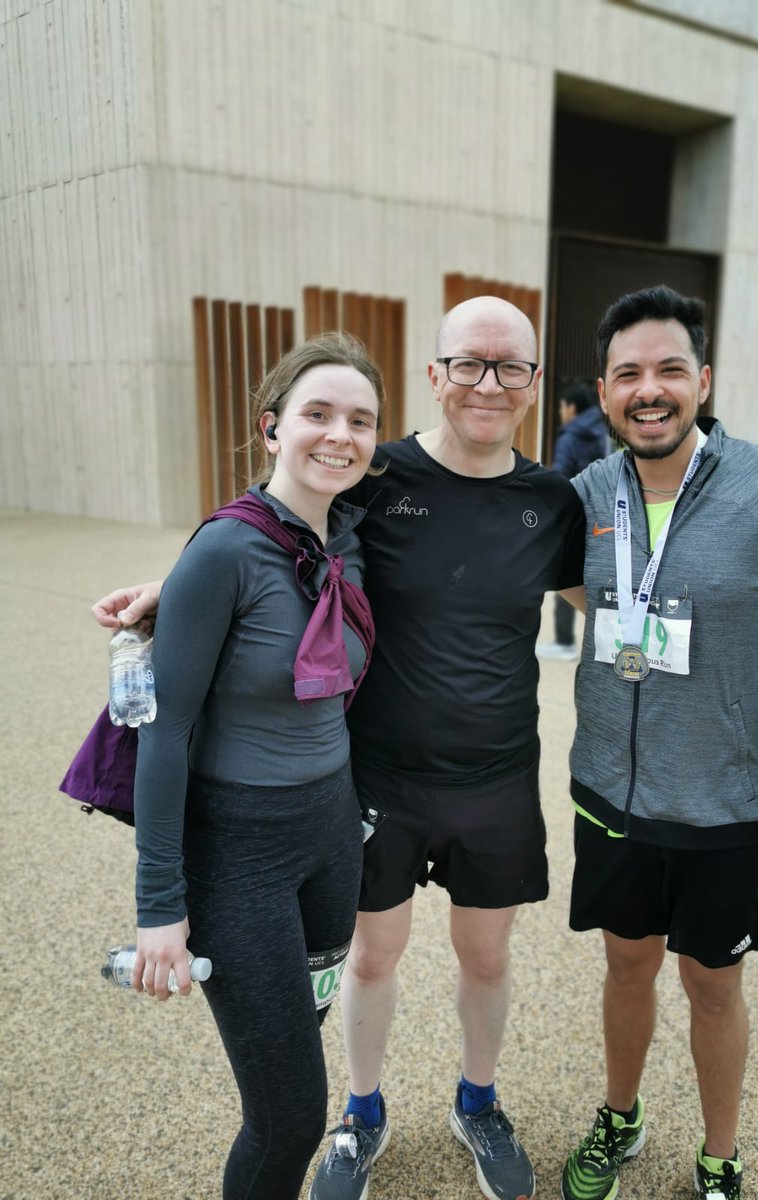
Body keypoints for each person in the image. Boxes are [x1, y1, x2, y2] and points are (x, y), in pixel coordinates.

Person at [91, 295, 586, 1200]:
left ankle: (478, 1102)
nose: (487, 382)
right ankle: (360, 1113)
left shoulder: (552, 500)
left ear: (532, 384)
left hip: (499, 776)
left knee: (487, 957)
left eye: (509, 366)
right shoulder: (377, 476)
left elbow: (610, 604)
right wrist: (185, 581)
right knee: (370, 958)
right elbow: (274, 529)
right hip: (377, 778)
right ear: (434, 376)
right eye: (467, 363)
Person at [559, 285, 758, 1200]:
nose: (649, 389)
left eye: (669, 369)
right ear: (605, 390)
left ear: (703, 379)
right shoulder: (586, 493)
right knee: (626, 963)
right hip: (611, 796)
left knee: (712, 984)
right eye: (629, 374)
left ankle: (719, 1156)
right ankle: (620, 1119)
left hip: (729, 807)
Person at [96, 333, 384, 1200]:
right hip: (241, 859)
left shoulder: (353, 540)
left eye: (361, 420)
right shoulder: (222, 553)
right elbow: (166, 730)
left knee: (300, 1037)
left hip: (334, 842)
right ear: (271, 428)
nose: (339, 434)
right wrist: (160, 908)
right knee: (292, 1114)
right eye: (318, 414)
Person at [537, 380, 610, 661]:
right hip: (601, 516)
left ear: (572, 408)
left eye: (562, 406)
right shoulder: (601, 433)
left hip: (571, 515)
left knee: (565, 577)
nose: (560, 411)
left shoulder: (570, 436)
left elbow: (562, 477)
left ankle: (564, 640)